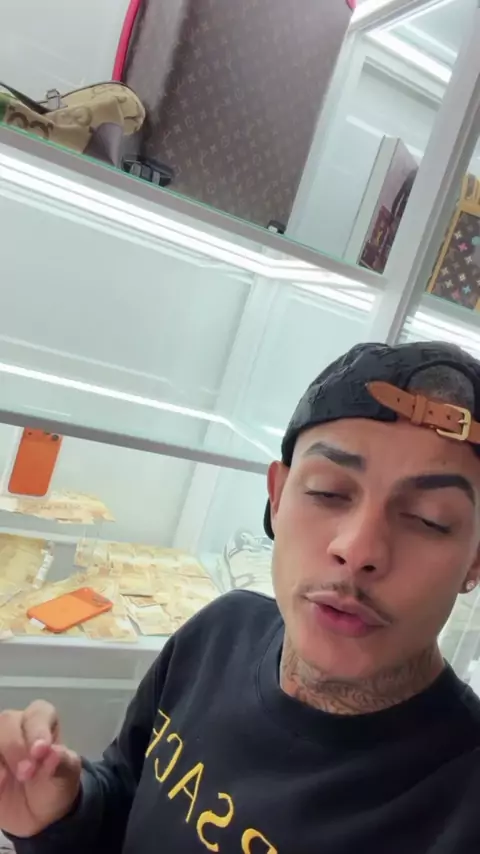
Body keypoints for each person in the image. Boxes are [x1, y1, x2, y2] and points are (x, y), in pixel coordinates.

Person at [2, 340, 480, 854]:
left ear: (475, 561)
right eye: (328, 492)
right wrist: (63, 814)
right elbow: (126, 793)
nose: (358, 549)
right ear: (277, 497)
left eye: (430, 519)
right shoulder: (219, 635)